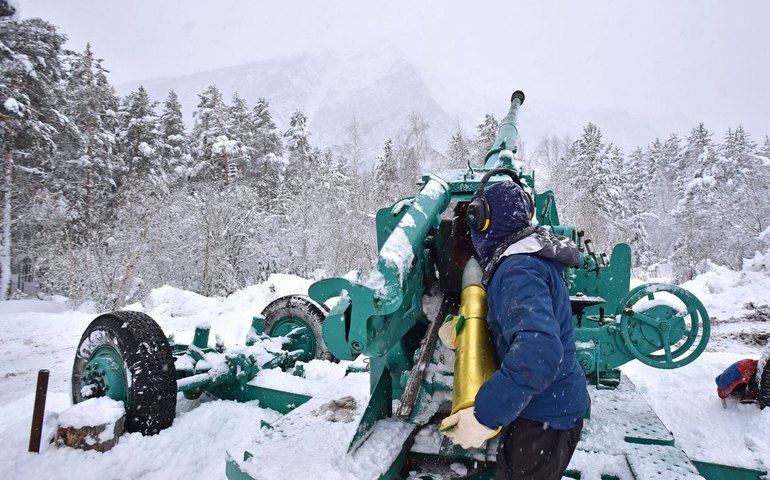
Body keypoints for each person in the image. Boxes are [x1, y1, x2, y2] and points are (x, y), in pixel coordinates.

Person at [440, 179, 589, 480]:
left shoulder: (517, 270)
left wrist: (484, 415)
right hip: (545, 413)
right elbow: (520, 334)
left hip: (543, 420)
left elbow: (538, 353)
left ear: (482, 221)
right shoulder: (528, 261)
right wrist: (466, 334)